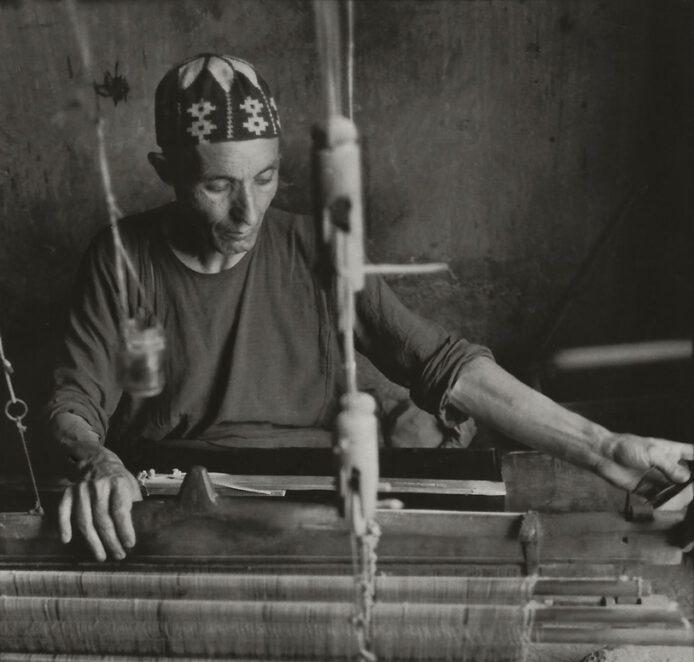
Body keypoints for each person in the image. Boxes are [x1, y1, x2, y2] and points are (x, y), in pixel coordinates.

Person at [45, 53, 693, 561]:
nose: (248, 212)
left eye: (265, 178)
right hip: (169, 504)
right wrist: (96, 460)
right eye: (218, 185)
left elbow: (444, 364)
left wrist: (608, 449)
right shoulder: (121, 259)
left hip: (312, 496)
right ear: (167, 171)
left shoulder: (315, 247)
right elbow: (74, 405)